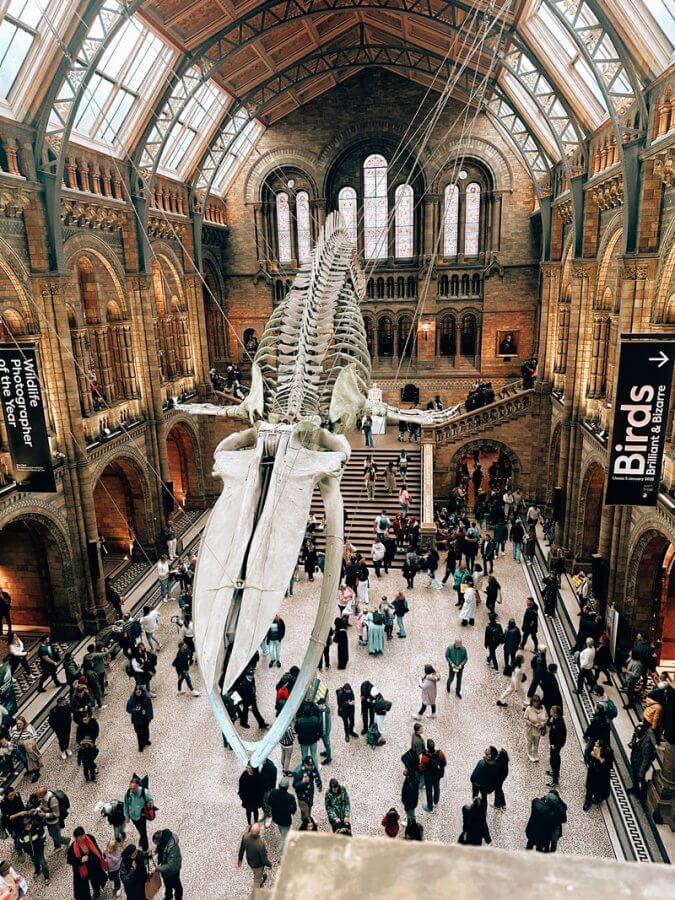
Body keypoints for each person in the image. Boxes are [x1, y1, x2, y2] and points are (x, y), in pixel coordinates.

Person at [67, 826, 108, 900]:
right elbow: (70, 860)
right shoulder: (72, 848)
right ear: (76, 838)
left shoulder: (90, 838)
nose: (82, 838)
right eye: (79, 837)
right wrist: (80, 860)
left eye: (82, 835)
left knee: (95, 881)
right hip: (82, 869)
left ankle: (97, 893)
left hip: (93, 866)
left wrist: (98, 859)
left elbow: (96, 849)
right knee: (83, 888)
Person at [628, 721, 657, 800]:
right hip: (635, 758)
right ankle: (635, 788)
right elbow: (634, 739)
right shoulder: (637, 734)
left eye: (637, 734)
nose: (636, 735)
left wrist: (641, 771)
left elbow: (646, 760)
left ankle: (643, 793)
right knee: (635, 775)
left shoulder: (646, 746)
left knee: (640, 777)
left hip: (641, 763)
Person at [19, 814, 50, 886]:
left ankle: (46, 877)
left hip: (39, 850)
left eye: (28, 825)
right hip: (30, 852)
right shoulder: (22, 833)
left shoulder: (37, 827)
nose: (28, 827)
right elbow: (21, 842)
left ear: (31, 823)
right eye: (26, 826)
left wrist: (41, 845)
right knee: (35, 861)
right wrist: (25, 850)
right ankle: (37, 871)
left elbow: (42, 836)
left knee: (42, 862)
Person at [124, 777, 153, 852]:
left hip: (142, 816)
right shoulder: (128, 793)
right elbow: (126, 805)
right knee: (140, 830)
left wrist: (148, 807)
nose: (132, 790)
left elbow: (151, 801)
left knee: (143, 832)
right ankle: (142, 839)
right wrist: (127, 816)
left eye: (133, 788)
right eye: (130, 788)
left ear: (138, 786)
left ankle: (145, 848)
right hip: (133, 817)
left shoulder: (144, 792)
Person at [237, 822, 271, 888]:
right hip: (258, 865)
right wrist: (269, 865)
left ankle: (259, 877)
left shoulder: (245, 836)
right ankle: (257, 888)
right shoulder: (260, 844)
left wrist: (240, 860)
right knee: (257, 879)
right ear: (258, 832)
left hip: (250, 861)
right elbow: (264, 859)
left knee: (256, 872)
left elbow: (242, 849)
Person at [152, 829, 182, 900]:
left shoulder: (172, 849)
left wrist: (157, 868)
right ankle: (169, 896)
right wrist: (156, 851)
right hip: (165, 869)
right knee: (167, 884)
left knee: (177, 886)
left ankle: (178, 898)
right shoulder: (164, 840)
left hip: (173, 871)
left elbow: (170, 865)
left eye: (157, 843)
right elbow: (161, 847)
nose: (157, 845)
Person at [583, 740, 614, 811]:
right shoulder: (594, 748)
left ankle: (597, 798)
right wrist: (588, 761)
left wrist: (599, 758)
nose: (595, 744)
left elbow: (608, 764)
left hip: (601, 774)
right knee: (590, 788)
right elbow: (588, 755)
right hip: (593, 771)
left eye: (597, 744)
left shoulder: (608, 753)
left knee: (598, 788)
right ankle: (588, 802)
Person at [269, 777, 297, 852]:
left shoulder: (273, 792)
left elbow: (269, 803)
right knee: (284, 837)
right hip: (285, 820)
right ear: (287, 787)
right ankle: (280, 854)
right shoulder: (290, 798)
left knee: (282, 832)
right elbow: (293, 810)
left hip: (276, 818)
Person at [420, 739, 447, 812]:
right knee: (437, 788)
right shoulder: (440, 753)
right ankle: (436, 801)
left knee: (429, 792)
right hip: (437, 775)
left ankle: (430, 806)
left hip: (428, 777)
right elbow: (444, 763)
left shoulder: (425, 757)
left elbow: (421, 768)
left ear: (427, 747)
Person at [293, 756, 322, 821]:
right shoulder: (298, 772)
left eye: (311, 765)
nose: (310, 767)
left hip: (310, 792)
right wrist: (302, 782)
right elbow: (294, 785)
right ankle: (306, 821)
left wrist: (319, 785)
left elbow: (316, 775)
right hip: (302, 795)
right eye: (308, 765)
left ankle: (308, 817)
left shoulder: (312, 767)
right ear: (304, 764)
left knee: (309, 806)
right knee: (304, 811)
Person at [126, 686, 153, 752]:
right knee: (139, 733)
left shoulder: (146, 698)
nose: (138, 693)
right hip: (137, 719)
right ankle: (141, 746)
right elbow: (128, 709)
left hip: (144, 718)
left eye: (139, 692)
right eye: (137, 692)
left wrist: (149, 716)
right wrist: (135, 710)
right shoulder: (132, 699)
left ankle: (146, 740)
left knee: (146, 730)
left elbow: (150, 708)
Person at [547, 705, 567, 788]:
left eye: (551, 710)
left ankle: (555, 780)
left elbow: (560, 736)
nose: (550, 711)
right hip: (554, 744)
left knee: (554, 760)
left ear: (555, 713)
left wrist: (554, 745)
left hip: (556, 745)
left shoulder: (559, 723)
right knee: (554, 758)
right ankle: (556, 773)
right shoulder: (556, 719)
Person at [524, 695, 548, 763]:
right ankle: (530, 754)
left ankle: (535, 754)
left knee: (537, 742)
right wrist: (532, 724)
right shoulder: (529, 709)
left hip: (539, 729)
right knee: (530, 741)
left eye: (537, 702)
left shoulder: (543, 708)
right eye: (534, 702)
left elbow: (546, 717)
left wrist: (542, 724)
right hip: (531, 729)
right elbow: (525, 718)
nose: (536, 703)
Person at [48, 695, 73, 760]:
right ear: (59, 703)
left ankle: (67, 748)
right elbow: (50, 721)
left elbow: (70, 713)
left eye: (65, 703)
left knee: (67, 737)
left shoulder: (67, 706)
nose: (64, 704)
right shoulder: (54, 711)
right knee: (61, 739)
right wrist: (55, 728)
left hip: (67, 726)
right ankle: (63, 751)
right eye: (63, 703)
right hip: (59, 728)